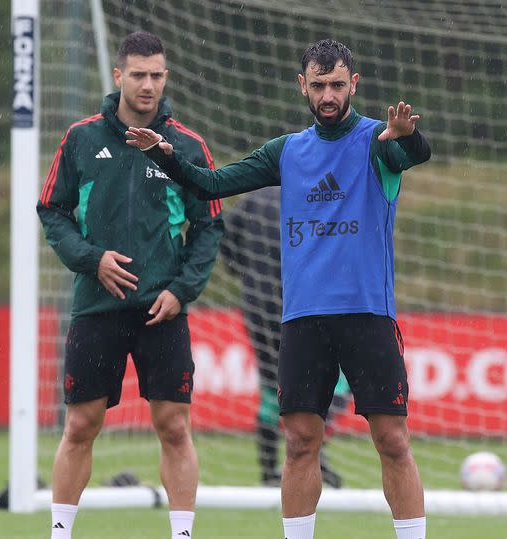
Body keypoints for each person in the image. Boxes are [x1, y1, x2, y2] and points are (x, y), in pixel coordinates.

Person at [127, 38, 430, 539]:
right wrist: (168, 155)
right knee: (300, 442)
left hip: (367, 315)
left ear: (354, 84)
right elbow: (210, 184)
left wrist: (408, 137)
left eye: (337, 85)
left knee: (392, 439)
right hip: (304, 319)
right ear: (302, 87)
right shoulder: (286, 151)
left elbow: (415, 153)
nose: (328, 95)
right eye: (318, 86)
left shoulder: (378, 140)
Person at [37, 31, 224, 539]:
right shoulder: (81, 138)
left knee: (174, 427)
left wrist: (181, 290)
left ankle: (182, 534)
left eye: (156, 75)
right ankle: (60, 533)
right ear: (118, 76)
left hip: (162, 310)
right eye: (138, 74)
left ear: (166, 78)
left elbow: (208, 225)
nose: (147, 84)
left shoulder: (186, 146)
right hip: (97, 307)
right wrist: (90, 259)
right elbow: (51, 209)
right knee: (80, 426)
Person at [220, 186, 348, 488]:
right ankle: (313, 453)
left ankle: (268, 472)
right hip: (305, 305)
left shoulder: (252, 200)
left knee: (271, 390)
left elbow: (225, 242)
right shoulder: (311, 196)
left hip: (258, 306)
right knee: (335, 384)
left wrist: (248, 275)